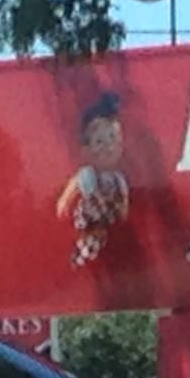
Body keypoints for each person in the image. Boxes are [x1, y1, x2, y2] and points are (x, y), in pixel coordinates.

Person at [56, 92, 129, 267]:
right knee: (89, 247)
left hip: (106, 222)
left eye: (113, 139)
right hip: (89, 220)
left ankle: (92, 250)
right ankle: (83, 256)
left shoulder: (117, 179)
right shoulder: (88, 175)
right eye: (99, 141)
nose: (108, 147)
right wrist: (65, 202)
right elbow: (72, 191)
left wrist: (120, 209)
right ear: (86, 149)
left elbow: (123, 206)